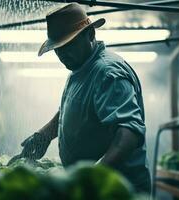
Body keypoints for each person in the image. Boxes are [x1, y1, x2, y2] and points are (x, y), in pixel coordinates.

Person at [20, 3, 150, 194]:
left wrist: (91, 177)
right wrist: (45, 135)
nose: (62, 55)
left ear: (90, 35)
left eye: (68, 46)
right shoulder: (81, 66)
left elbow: (129, 132)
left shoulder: (107, 74)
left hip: (114, 190)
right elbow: (76, 108)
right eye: (58, 49)